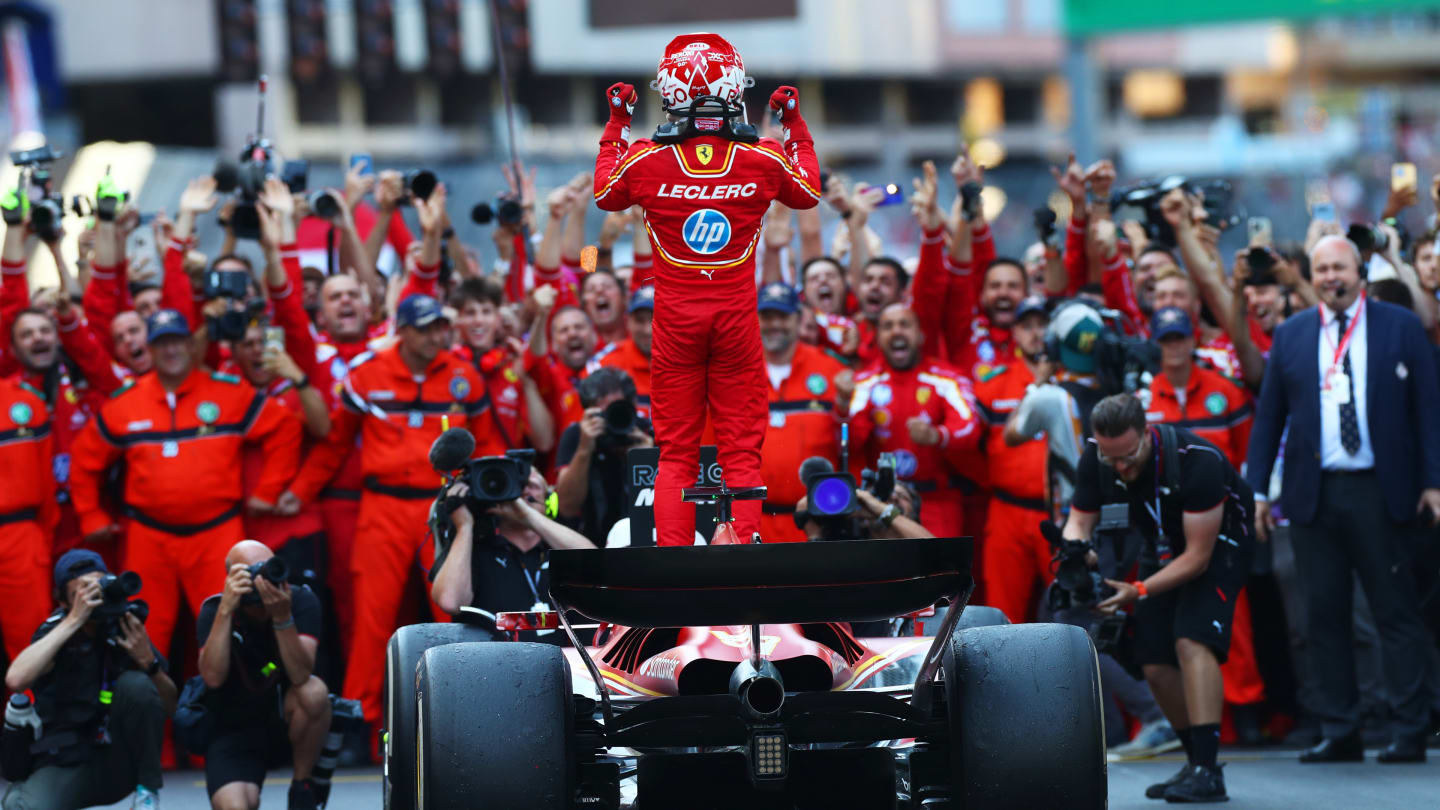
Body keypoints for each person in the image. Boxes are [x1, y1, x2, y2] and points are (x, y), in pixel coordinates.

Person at [593, 32, 821, 546]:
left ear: (670, 90)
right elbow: (808, 191)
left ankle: (676, 569)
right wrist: (794, 125)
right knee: (740, 452)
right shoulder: (763, 158)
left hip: (675, 327)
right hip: (737, 325)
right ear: (735, 86)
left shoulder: (645, 160)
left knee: (675, 452)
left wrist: (616, 122)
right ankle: (739, 555)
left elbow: (605, 193)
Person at [1246, 234, 1440, 764]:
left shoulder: (1400, 326)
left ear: (1359, 271)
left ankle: (1408, 728)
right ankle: (1340, 728)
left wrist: (1433, 481)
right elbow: (1269, 420)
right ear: (1312, 275)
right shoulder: (1291, 334)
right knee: (1322, 616)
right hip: (1313, 494)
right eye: (1322, 268)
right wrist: (1259, 489)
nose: (1331, 277)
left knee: (1394, 612)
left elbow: (1429, 409)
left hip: (1382, 489)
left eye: (1340, 267)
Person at [277, 294, 500, 731]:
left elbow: (487, 446)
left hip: (444, 506)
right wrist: (300, 491)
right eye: (426, 327)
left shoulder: (463, 376)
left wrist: (492, 502)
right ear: (403, 329)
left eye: (440, 326)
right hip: (381, 507)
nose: (437, 335)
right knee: (371, 617)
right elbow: (335, 444)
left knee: (453, 613)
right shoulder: (366, 376)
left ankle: (463, 712)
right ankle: (361, 719)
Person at [69, 309, 302, 659]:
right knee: (142, 632)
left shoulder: (227, 393)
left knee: (225, 631)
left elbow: (285, 428)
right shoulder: (125, 403)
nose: (171, 350)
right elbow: (84, 461)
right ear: (150, 348)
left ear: (192, 345)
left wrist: (269, 490)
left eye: (178, 341)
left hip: (217, 533)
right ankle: (153, 712)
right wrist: (91, 516)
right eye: (162, 343)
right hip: (150, 537)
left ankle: (221, 712)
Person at [1069, 393, 1255, 803]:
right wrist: (1075, 555)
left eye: (1128, 456)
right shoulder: (1097, 458)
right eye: (1110, 458)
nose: (1119, 467)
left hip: (1220, 544)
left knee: (1191, 638)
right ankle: (1195, 763)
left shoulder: (1197, 460)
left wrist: (1137, 590)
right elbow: (1078, 520)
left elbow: (1197, 558)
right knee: (1153, 659)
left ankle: (1208, 770)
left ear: (1148, 432)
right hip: (1162, 542)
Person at [2, 550, 176, 810]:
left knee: (136, 684)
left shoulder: (124, 625)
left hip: (118, 763)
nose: (94, 599)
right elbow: (16, 679)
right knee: (26, 807)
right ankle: (22, 795)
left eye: (98, 588)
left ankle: (147, 793)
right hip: (67, 761)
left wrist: (149, 664)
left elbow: (172, 706)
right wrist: (74, 620)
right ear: (63, 602)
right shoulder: (56, 631)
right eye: (81, 594)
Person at [196, 541, 331, 810]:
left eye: (268, 568)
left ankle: (302, 785)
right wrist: (226, 609)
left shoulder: (299, 600)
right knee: (235, 806)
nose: (261, 579)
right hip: (235, 730)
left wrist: (282, 618)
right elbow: (212, 678)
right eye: (250, 573)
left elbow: (301, 674)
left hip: (286, 722)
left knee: (314, 692)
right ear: (232, 578)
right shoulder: (215, 610)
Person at [846, 304, 981, 537]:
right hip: (881, 501)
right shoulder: (863, 382)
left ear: (920, 335)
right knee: (887, 574)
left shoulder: (948, 378)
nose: (897, 331)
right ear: (878, 337)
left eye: (904, 324)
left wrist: (936, 435)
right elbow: (850, 441)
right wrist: (841, 403)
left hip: (937, 502)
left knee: (942, 571)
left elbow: (970, 428)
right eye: (888, 326)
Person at [973, 297, 1053, 623]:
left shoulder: (1076, 379)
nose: (1036, 334)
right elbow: (968, 449)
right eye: (1027, 326)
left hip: (1061, 515)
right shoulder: (994, 384)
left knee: (1075, 613)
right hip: (1007, 511)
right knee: (1004, 619)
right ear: (1015, 332)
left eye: (1043, 325)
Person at [430, 468, 596, 618]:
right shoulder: (473, 550)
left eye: (530, 484)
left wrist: (528, 516)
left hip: (565, 652)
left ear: (549, 499)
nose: (521, 491)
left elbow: (596, 565)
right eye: (514, 484)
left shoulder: (563, 547)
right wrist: (464, 526)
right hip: (495, 652)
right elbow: (450, 602)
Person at [752, 282, 847, 542]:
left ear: (799, 319)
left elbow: (855, 441)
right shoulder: (734, 371)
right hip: (751, 522)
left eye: (782, 316)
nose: (774, 324)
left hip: (818, 522)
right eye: (767, 316)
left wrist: (846, 405)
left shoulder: (831, 370)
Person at [553, 368, 654, 546]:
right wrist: (584, 449)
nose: (611, 421)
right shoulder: (577, 436)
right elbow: (566, 508)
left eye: (618, 411)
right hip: (592, 547)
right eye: (603, 415)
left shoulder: (647, 433)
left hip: (646, 544)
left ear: (633, 405)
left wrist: (648, 459)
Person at [0, 376, 57, 664]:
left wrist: (42, 544)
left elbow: (47, 486)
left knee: (31, 646)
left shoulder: (26, 402)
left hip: (20, 534)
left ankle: (30, 709)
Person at [590, 286, 654, 418]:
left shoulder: (688, 361)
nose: (647, 330)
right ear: (628, 321)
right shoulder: (606, 363)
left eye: (655, 319)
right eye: (640, 320)